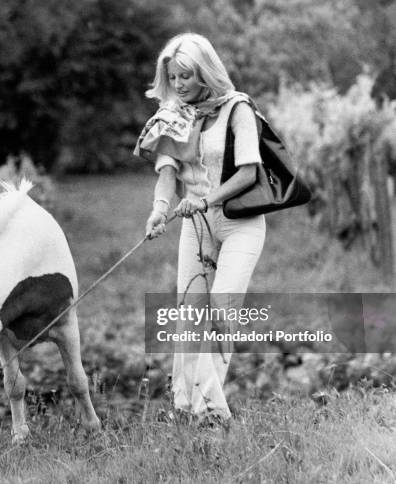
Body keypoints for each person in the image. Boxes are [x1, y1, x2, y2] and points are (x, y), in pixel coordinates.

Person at [134, 33, 266, 422]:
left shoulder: (237, 109)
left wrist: (207, 200)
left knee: (223, 309)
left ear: (205, 72)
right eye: (172, 77)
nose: (178, 85)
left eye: (185, 76)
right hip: (195, 227)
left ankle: (211, 412)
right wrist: (160, 209)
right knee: (189, 316)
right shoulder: (172, 115)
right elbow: (167, 175)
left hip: (240, 223)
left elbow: (248, 173)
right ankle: (184, 408)